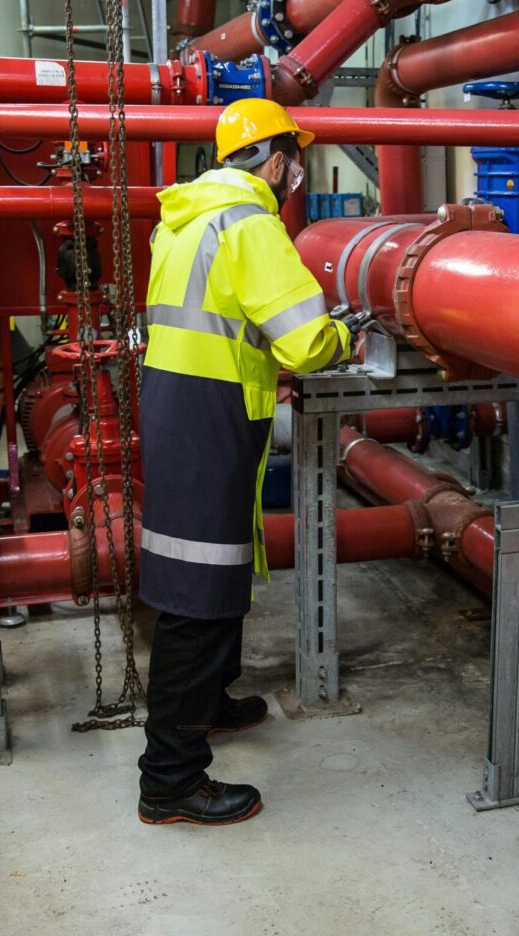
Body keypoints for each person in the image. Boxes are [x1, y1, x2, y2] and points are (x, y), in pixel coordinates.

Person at [136, 98, 351, 826]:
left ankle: (210, 704)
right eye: (296, 156)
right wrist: (344, 338)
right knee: (194, 597)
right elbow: (303, 343)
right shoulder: (250, 223)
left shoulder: (187, 217)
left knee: (215, 569)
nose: (297, 171)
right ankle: (168, 779)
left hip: (179, 403)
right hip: (210, 413)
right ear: (279, 158)